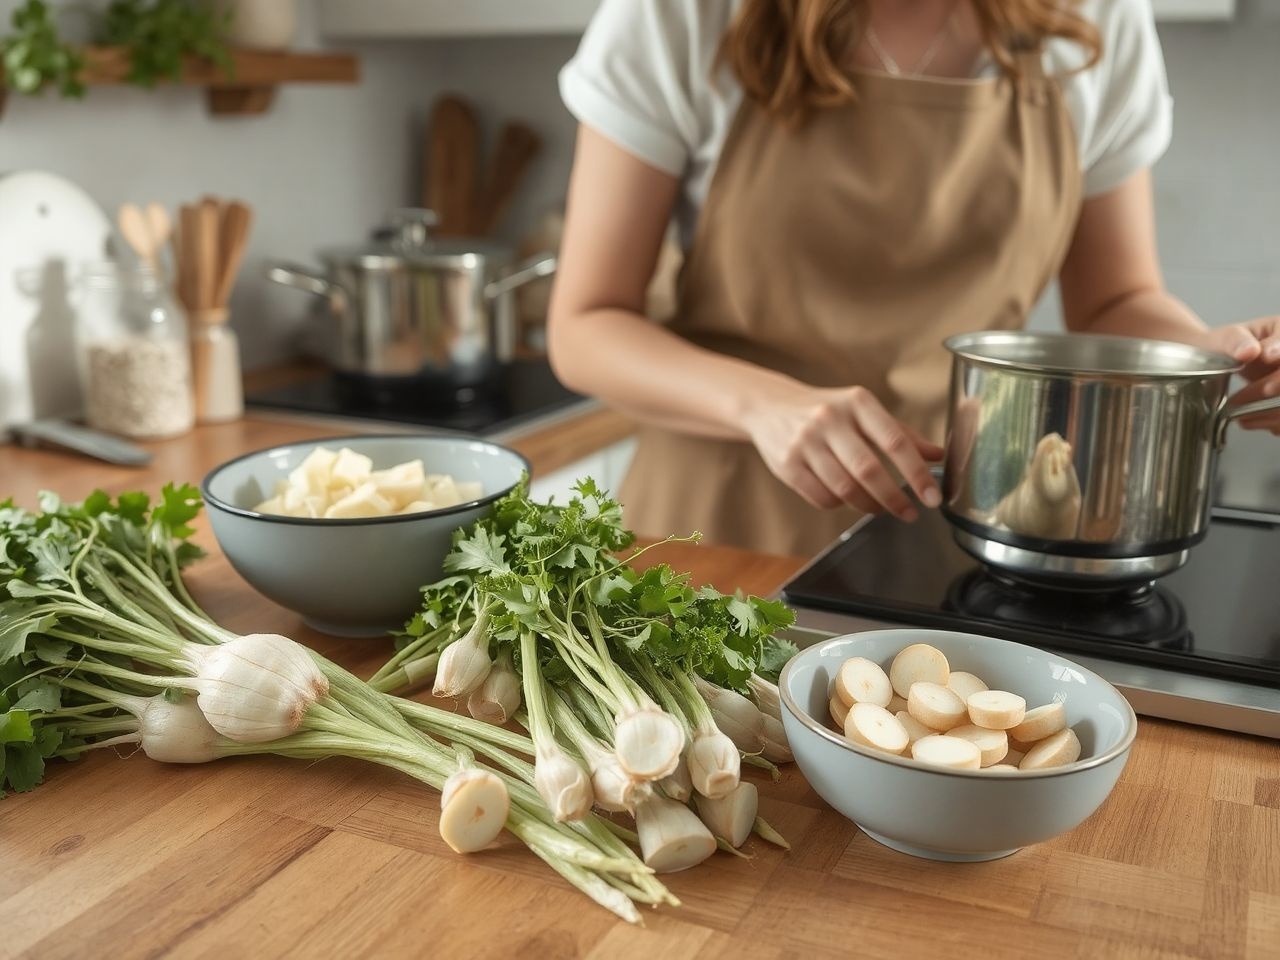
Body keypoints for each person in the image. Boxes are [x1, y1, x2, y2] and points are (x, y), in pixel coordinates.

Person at [547, 0, 1280, 556]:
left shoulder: (1092, 17)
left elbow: (1117, 300)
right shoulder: (680, 16)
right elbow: (585, 324)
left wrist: (1210, 352)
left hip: (952, 532)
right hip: (711, 539)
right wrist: (765, 406)